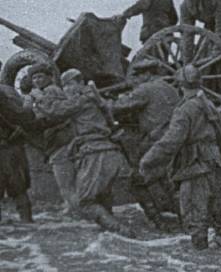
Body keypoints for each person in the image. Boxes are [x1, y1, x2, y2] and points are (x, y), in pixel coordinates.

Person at [139, 65, 221, 250]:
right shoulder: (208, 104)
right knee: (211, 208)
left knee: (193, 212)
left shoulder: (185, 110)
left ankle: (201, 258)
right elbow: (220, 134)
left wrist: (149, 159)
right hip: (213, 160)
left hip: (195, 164)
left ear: (181, 84)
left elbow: (171, 141)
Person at [35, 69, 134, 237]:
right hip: (109, 151)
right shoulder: (96, 99)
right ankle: (112, 241)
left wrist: (40, 98)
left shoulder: (82, 100)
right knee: (103, 198)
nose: (65, 90)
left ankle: (124, 233)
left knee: (83, 202)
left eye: (68, 85)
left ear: (78, 83)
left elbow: (55, 111)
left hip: (96, 153)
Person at [107, 59, 180, 231]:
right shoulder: (171, 89)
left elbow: (119, 107)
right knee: (166, 182)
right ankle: (186, 221)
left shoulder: (146, 89)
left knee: (136, 181)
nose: (135, 80)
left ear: (147, 74)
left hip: (156, 140)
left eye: (137, 76)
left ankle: (158, 222)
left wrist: (105, 101)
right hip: (172, 138)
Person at [23, 63, 78, 214]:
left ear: (49, 77)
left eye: (40, 76)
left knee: (64, 179)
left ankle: (77, 211)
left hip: (60, 137)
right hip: (57, 138)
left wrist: (37, 101)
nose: (37, 80)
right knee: (66, 179)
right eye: (34, 78)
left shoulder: (51, 90)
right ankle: (71, 206)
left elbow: (54, 113)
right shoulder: (44, 92)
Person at [0, 80, 33, 223]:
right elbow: (20, 115)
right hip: (8, 147)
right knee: (18, 187)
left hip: (6, 144)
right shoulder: (5, 92)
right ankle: (26, 224)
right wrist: (28, 102)